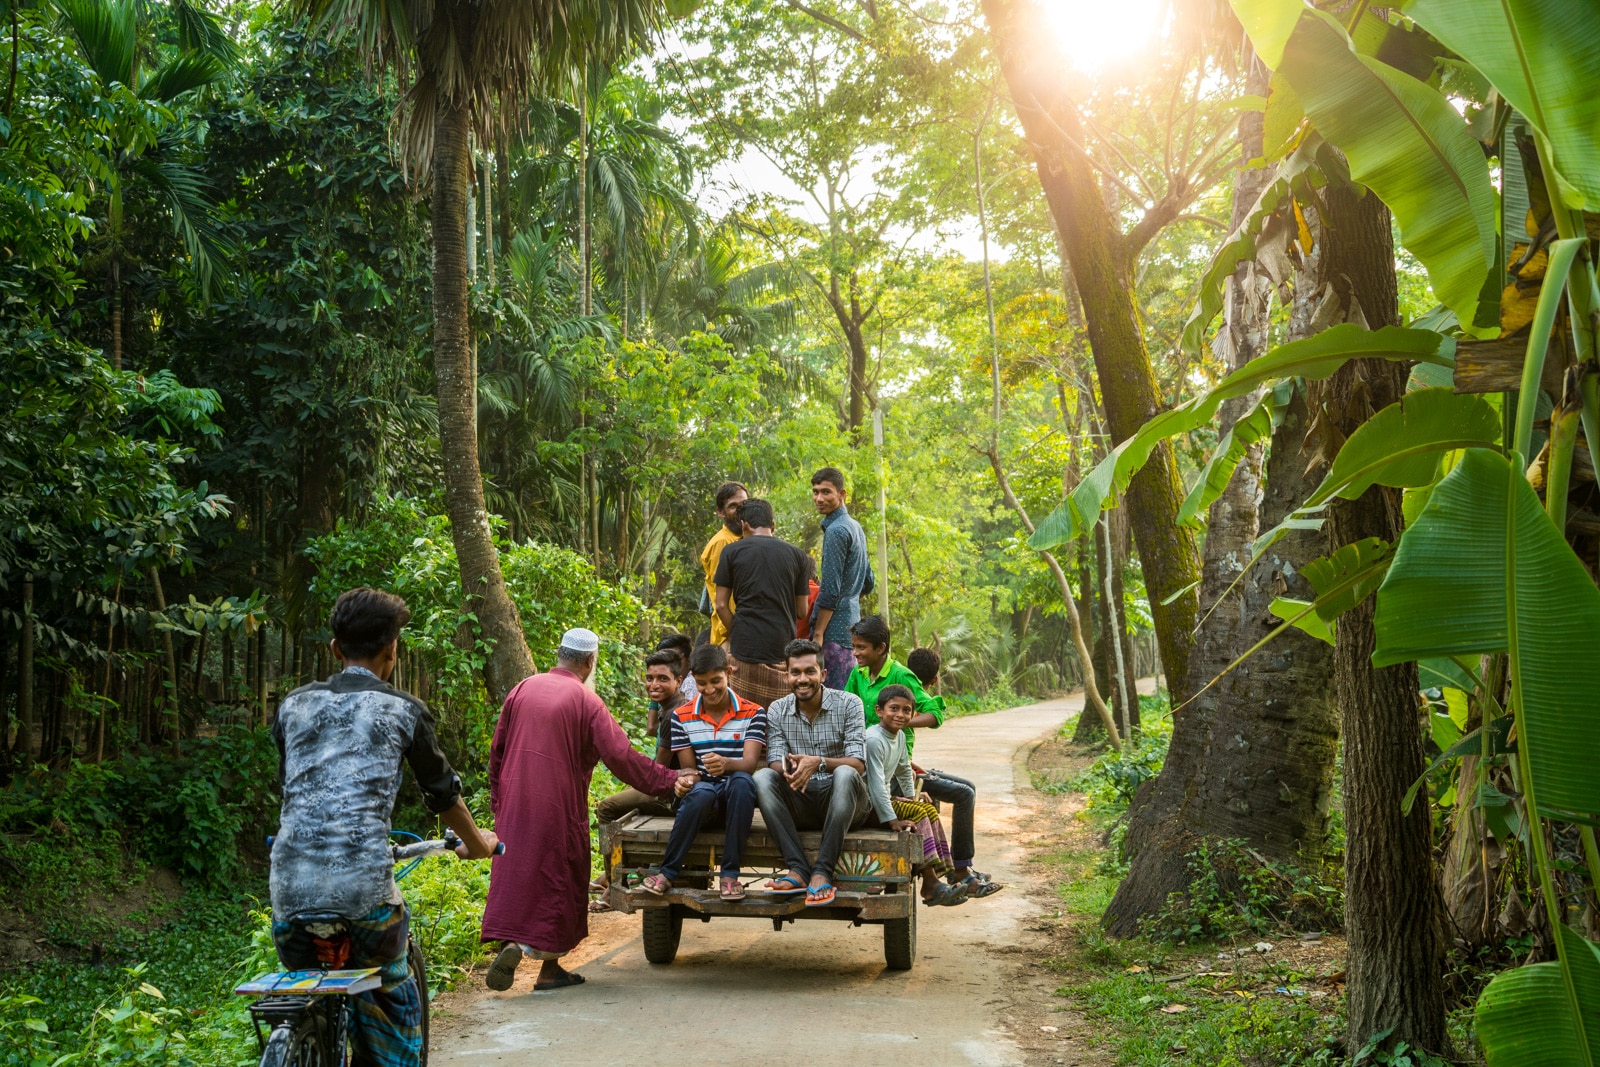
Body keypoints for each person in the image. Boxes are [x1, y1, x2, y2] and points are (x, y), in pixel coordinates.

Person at [270, 588, 499, 1067]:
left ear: (335, 649)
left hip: (289, 901)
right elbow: (443, 795)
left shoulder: (292, 706)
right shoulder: (403, 709)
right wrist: (479, 846)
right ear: (393, 649)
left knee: (303, 974)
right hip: (365, 903)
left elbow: (298, 784)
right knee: (391, 996)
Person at [481, 628, 698, 992]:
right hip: (558, 804)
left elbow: (496, 752)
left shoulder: (522, 689)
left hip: (514, 802)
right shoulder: (585, 700)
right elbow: (621, 758)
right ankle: (548, 970)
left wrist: (498, 804)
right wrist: (667, 780)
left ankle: (512, 943)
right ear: (589, 661)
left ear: (560, 654)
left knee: (517, 873)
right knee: (559, 876)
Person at [640, 644, 767, 901]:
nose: (709, 690)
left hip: (736, 802)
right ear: (692, 681)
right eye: (701, 683)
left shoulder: (754, 712)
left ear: (728, 673)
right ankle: (668, 872)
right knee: (701, 792)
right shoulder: (680, 716)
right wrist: (684, 781)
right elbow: (689, 769)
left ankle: (730, 875)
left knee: (742, 781)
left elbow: (750, 763)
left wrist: (726, 764)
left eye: (715, 681)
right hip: (703, 800)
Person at [752, 639, 870, 906]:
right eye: (795, 672)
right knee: (761, 777)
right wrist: (793, 770)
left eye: (809, 671)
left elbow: (858, 763)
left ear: (823, 674)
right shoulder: (778, 709)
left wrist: (817, 763)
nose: (802, 679)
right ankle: (797, 869)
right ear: (787, 676)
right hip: (800, 797)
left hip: (845, 804)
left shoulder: (849, 703)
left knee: (845, 774)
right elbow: (774, 762)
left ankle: (822, 871)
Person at [906, 647, 1003, 899]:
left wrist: (911, 763)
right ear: (934, 680)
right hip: (900, 777)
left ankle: (960, 867)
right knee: (963, 795)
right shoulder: (911, 694)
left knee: (968, 787)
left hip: (906, 768)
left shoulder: (896, 686)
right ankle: (960, 872)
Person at [864, 685, 967, 907]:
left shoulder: (899, 736)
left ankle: (943, 876)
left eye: (906, 710)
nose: (900, 715)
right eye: (894, 708)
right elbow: (875, 784)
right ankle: (929, 883)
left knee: (926, 808)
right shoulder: (873, 739)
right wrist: (892, 819)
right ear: (879, 711)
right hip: (866, 805)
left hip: (882, 800)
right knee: (918, 814)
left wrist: (911, 798)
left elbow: (902, 770)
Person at [714, 497, 810, 707]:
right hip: (781, 648)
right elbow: (802, 611)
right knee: (778, 718)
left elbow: (721, 605)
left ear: (743, 525)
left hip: (745, 648)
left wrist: (737, 630)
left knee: (745, 717)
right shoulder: (798, 556)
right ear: (772, 525)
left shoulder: (731, 552)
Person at [594, 648, 692, 824]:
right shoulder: (680, 703)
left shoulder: (672, 715)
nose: (654, 685)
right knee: (627, 789)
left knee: (606, 807)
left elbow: (657, 774)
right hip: (676, 783)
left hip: (673, 794)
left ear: (678, 681)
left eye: (663, 679)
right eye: (649, 679)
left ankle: (612, 853)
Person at [845, 615, 946, 758]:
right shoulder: (858, 672)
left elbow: (935, 714)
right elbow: (845, 706)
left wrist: (902, 721)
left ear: (880, 648)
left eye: (861, 647)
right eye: (854, 647)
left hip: (896, 753)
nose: (855, 653)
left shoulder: (901, 676)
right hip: (866, 748)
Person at [810, 467, 869, 688]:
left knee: (832, 703)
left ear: (841, 494)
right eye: (815, 492)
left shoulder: (836, 531)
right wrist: (849, 598)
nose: (819, 498)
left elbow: (831, 590)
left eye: (826, 492)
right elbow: (868, 581)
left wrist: (818, 634)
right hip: (851, 627)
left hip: (832, 634)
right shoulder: (855, 527)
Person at [700, 482, 749, 648]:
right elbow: (722, 601)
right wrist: (735, 633)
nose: (740, 510)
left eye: (744, 505)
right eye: (733, 506)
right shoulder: (722, 543)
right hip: (728, 637)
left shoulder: (743, 540)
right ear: (721, 512)